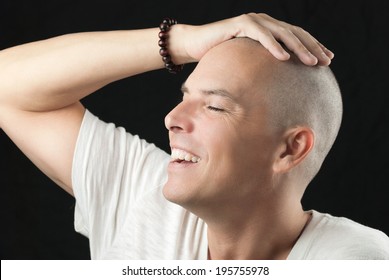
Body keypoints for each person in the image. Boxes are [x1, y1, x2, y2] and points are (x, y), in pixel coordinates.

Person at [0, 13, 388, 259]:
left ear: (290, 149)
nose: (171, 118)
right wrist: (180, 41)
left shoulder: (354, 260)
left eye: (215, 107)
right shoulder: (143, 196)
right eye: (185, 98)